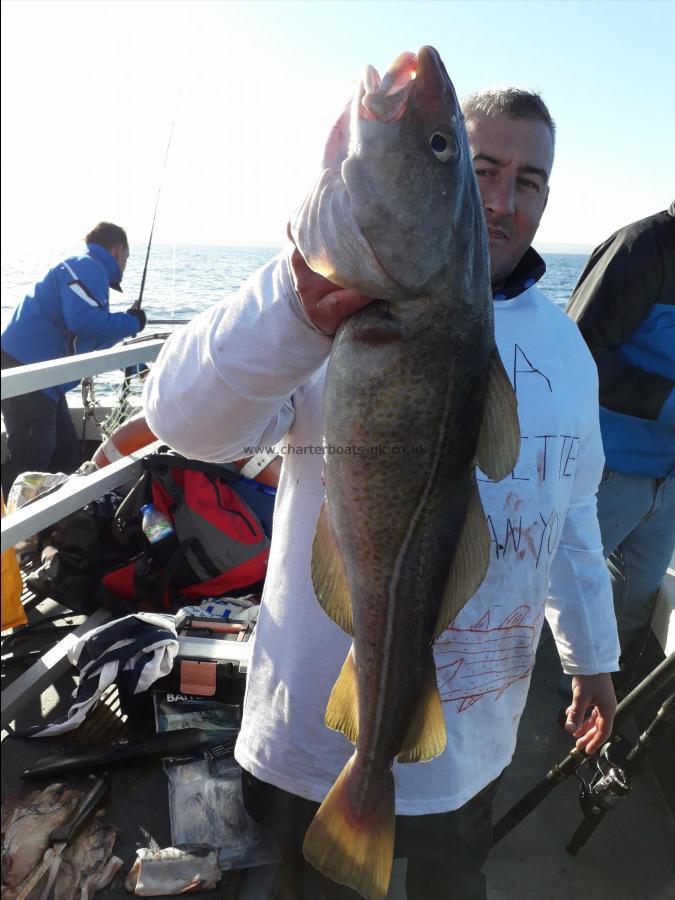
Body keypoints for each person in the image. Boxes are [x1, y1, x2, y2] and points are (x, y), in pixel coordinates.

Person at [143, 89, 620, 899]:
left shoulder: (567, 347)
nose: (504, 202)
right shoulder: (333, 317)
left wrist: (593, 661)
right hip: (313, 740)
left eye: (530, 181)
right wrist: (296, 305)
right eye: (479, 170)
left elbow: (570, 517)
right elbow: (184, 422)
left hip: (473, 739)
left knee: (453, 883)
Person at [567, 206, 675, 662]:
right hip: (605, 474)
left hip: (667, 487)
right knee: (559, 598)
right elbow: (577, 352)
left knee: (629, 609)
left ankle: (583, 717)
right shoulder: (642, 247)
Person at [1, 222, 146, 496]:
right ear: (117, 251)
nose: (126, 263)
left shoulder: (88, 271)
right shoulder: (87, 266)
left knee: (65, 454)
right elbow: (85, 322)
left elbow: (92, 338)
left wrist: (134, 354)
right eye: (127, 256)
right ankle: (12, 529)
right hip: (26, 372)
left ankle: (53, 527)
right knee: (32, 458)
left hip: (45, 380)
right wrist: (131, 322)